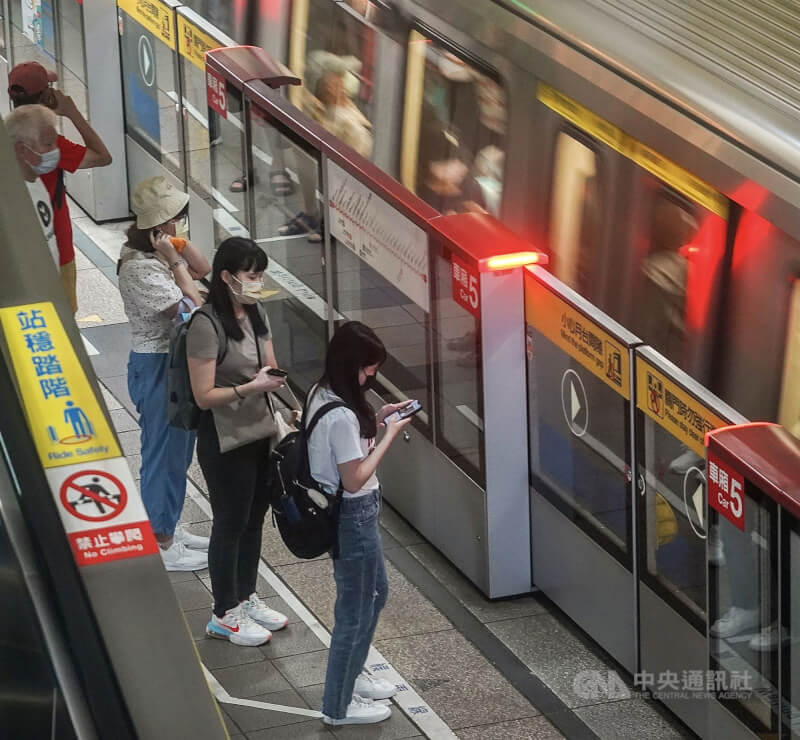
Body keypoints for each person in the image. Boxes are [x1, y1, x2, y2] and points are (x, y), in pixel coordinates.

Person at [307, 321, 414, 726]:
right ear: (351, 364)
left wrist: (380, 418)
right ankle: (338, 705)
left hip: (354, 513)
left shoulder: (326, 393)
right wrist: (390, 434)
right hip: (353, 515)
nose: (372, 376)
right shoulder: (340, 417)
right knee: (354, 609)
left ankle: (353, 676)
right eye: (368, 368)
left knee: (375, 593)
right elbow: (354, 477)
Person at [186, 237, 289, 646]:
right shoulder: (205, 325)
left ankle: (246, 597)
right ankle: (223, 613)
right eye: (251, 275)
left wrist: (285, 399)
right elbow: (204, 396)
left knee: (254, 518)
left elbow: (271, 367)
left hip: (261, 431)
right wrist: (252, 387)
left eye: (261, 274)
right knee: (230, 522)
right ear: (226, 277)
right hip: (224, 437)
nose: (257, 282)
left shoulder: (256, 311)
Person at [117, 176, 211, 571]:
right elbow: (193, 308)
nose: (182, 223)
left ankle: (169, 523)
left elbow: (203, 269)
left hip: (175, 365)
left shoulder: (159, 251)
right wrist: (174, 261)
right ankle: (161, 539)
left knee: (179, 452)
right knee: (163, 453)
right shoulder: (138, 268)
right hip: (157, 367)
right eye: (178, 219)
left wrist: (180, 247)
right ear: (157, 225)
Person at [8, 61, 112, 314]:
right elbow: (103, 156)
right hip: (58, 248)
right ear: (47, 96)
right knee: (61, 319)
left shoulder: (8, 136)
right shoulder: (52, 147)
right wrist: (72, 112)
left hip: (18, 256)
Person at [5, 104, 60, 267]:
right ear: (22, 149)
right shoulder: (10, 200)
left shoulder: (35, 179)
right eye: (48, 144)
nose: (55, 150)